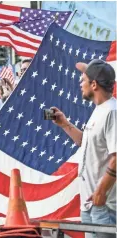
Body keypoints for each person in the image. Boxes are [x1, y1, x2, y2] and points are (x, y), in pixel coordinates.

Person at [52, 59, 116, 238]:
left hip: (105, 206)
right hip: (90, 204)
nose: (80, 83)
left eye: (83, 79)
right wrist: (65, 125)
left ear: (94, 84)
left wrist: (101, 192)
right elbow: (86, 143)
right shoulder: (100, 110)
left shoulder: (112, 111)